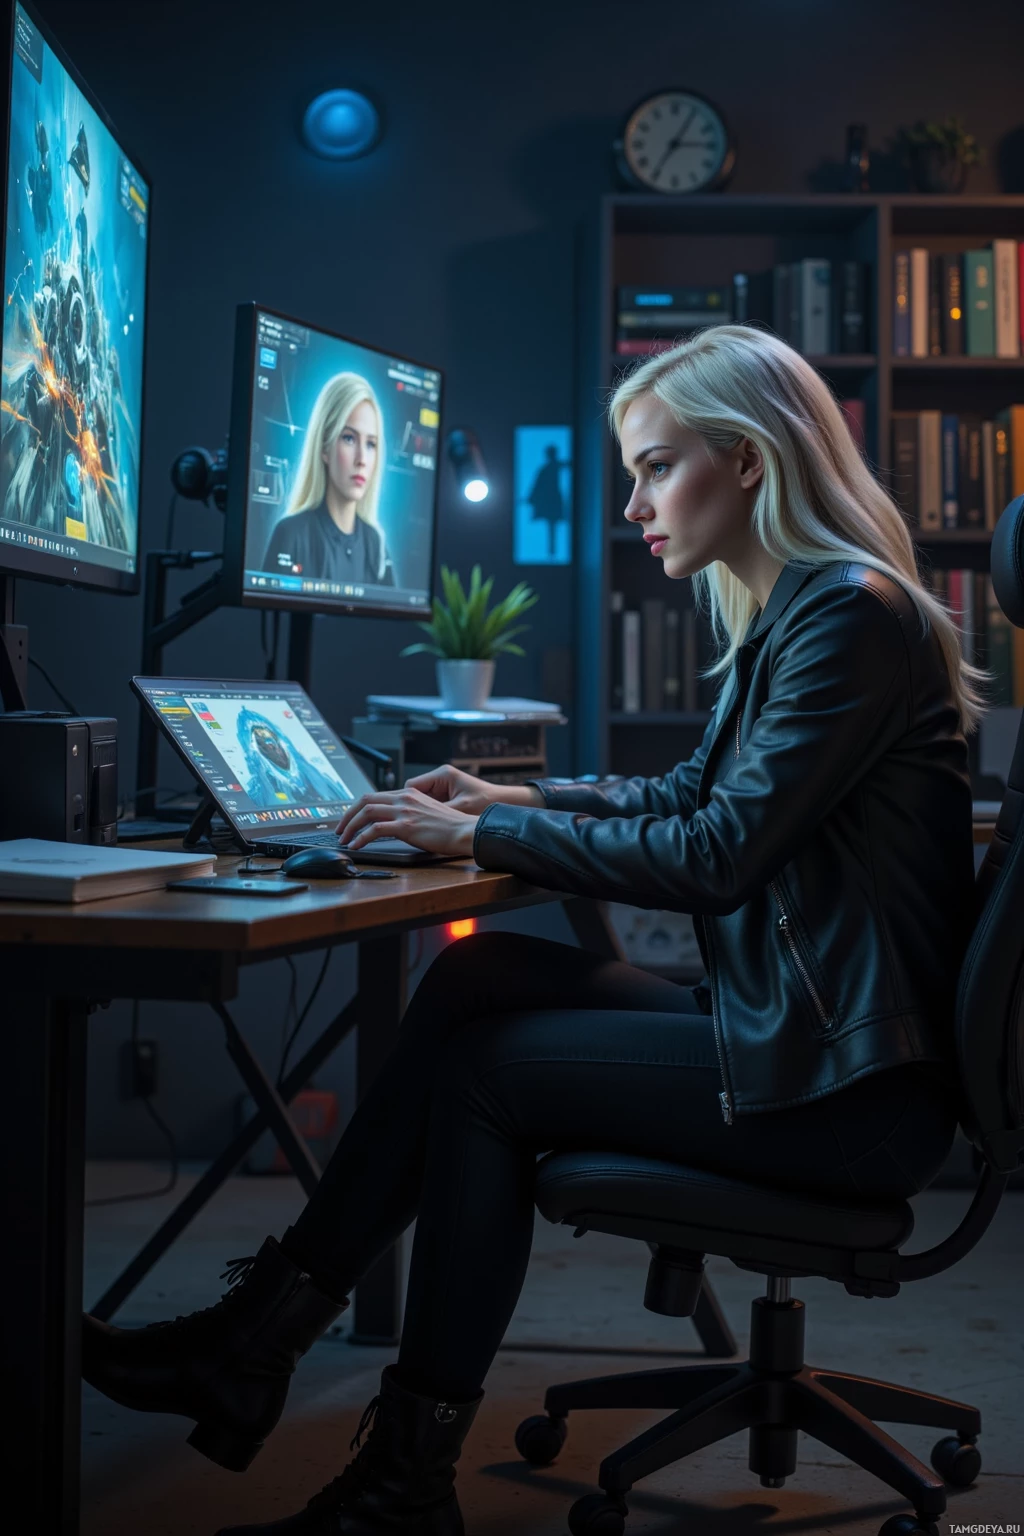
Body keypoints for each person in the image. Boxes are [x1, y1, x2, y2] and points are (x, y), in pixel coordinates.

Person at [83, 326, 979, 1536]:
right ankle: (259, 1339)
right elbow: (688, 803)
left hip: (847, 1094)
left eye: (657, 467)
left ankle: (396, 1478)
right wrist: (513, 801)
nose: (634, 501)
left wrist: (480, 843)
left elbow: (715, 858)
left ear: (751, 460)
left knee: (487, 1081)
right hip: (799, 1040)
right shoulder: (805, 612)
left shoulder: (850, 617)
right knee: (481, 978)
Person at [261, 373, 395, 589]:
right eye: (349, 438)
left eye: (371, 444)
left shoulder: (376, 545)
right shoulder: (291, 534)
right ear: (324, 446)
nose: (362, 459)